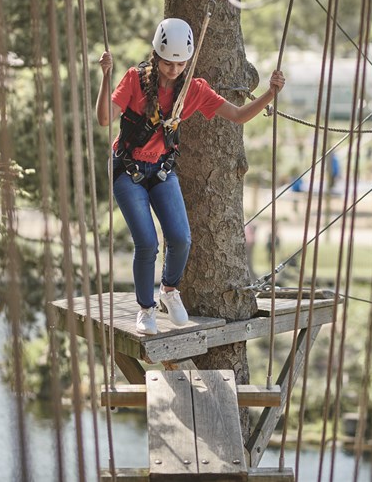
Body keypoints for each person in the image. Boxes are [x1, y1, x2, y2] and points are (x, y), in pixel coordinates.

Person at [96, 17, 286, 335]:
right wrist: (105, 77)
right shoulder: (134, 80)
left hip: (161, 170)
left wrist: (270, 93)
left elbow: (238, 116)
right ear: (157, 56)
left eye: (181, 62)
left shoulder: (194, 90)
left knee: (182, 239)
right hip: (128, 171)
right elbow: (104, 119)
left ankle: (169, 291)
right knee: (146, 243)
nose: (174, 69)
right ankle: (145, 311)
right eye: (169, 62)